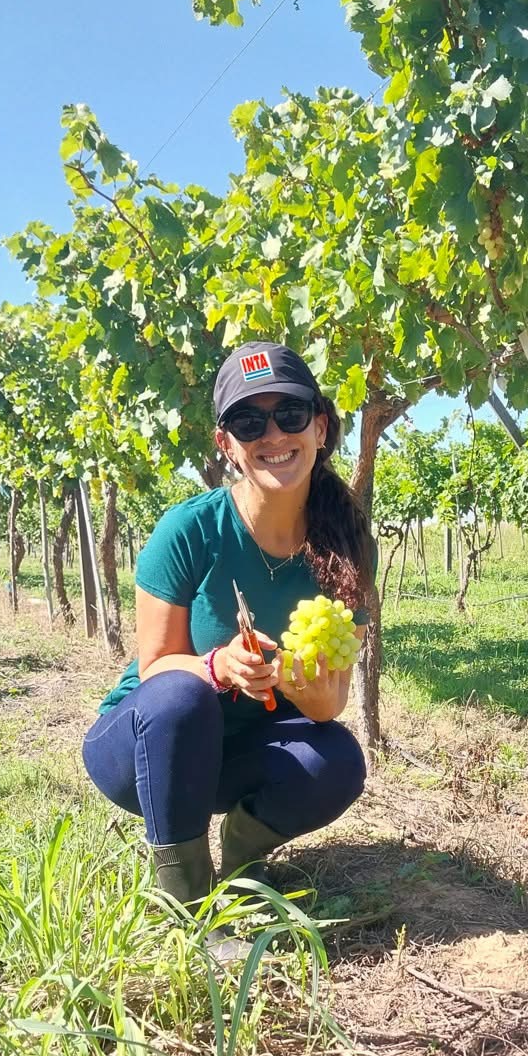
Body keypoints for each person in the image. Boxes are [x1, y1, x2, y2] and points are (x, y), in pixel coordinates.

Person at [82, 340, 375, 945]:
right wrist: (217, 666)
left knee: (339, 760)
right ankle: (189, 909)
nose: (273, 434)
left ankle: (242, 863)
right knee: (180, 696)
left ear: (319, 427)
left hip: (240, 755)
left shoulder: (345, 538)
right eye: (249, 420)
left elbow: (329, 705)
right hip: (148, 749)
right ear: (227, 445)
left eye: (290, 415)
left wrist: (304, 686)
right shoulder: (189, 529)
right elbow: (157, 664)